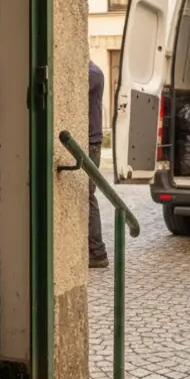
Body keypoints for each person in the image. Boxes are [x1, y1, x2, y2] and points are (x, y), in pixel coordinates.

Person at [87, 61, 108, 268]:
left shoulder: (92, 74)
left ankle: (97, 251)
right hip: (90, 143)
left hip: (91, 144)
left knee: (87, 195)